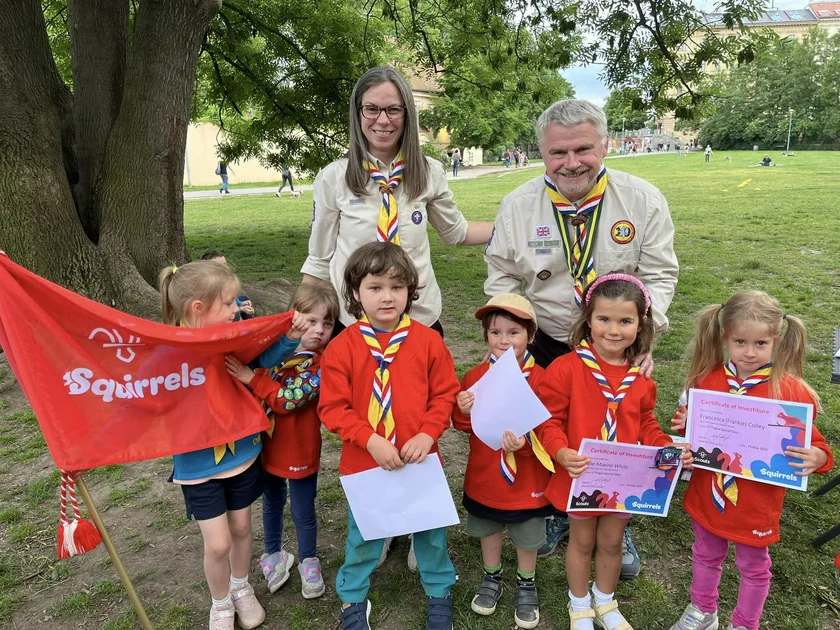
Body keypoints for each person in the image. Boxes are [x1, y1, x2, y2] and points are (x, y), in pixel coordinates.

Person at [484, 98, 678, 573]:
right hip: (549, 339)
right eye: (558, 153)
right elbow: (500, 277)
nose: (571, 163)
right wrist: (515, 337)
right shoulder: (517, 205)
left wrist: (642, 339)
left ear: (605, 144)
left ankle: (617, 520)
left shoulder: (643, 199)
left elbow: (660, 274)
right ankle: (559, 510)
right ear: (542, 152)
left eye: (583, 149)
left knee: (619, 430)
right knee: (555, 431)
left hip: (616, 343)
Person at [534, 274, 692, 630]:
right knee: (582, 542)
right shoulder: (565, 368)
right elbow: (547, 422)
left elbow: (646, 423)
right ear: (588, 319)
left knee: (612, 541)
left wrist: (666, 446)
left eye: (625, 321)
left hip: (624, 480)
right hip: (581, 475)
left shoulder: (641, 378)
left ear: (641, 325)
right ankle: (579, 605)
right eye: (604, 319)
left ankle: (604, 600)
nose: (614, 329)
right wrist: (560, 453)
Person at [669, 291, 834, 630]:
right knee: (704, 554)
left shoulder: (791, 392)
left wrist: (818, 456)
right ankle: (703, 610)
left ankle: (745, 623)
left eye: (760, 343)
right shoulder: (707, 380)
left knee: (754, 566)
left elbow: (817, 446)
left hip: (756, 503)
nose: (749, 352)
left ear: (777, 340)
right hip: (708, 494)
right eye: (740, 341)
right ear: (725, 338)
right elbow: (694, 436)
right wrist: (687, 429)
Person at [319, 242, 460, 630]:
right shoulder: (341, 347)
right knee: (363, 535)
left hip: (420, 462)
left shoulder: (429, 341)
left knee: (430, 533)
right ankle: (352, 597)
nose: (387, 297)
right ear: (354, 293)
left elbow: (445, 394)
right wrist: (370, 440)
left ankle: (439, 589)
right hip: (365, 462)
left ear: (411, 293)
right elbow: (332, 408)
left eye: (397, 288)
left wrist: (428, 434)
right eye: (375, 287)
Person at [301, 65, 493, 340]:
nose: (383, 120)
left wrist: (512, 226)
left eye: (393, 109)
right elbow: (319, 260)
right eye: (372, 109)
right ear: (358, 113)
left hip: (419, 319)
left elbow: (456, 233)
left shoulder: (429, 173)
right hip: (357, 324)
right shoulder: (333, 178)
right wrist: (300, 319)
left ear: (406, 114)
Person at [159, 260, 273, 630]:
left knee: (241, 528)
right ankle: (221, 602)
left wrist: (290, 334)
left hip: (241, 455)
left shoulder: (233, 334)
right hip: (197, 467)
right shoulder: (164, 351)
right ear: (198, 309)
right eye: (227, 304)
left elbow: (265, 355)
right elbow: (140, 395)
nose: (235, 309)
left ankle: (241, 587)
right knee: (218, 543)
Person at [225, 282, 340, 602]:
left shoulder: (321, 365)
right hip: (265, 448)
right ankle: (273, 555)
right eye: (311, 321)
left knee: (303, 509)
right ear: (293, 319)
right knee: (272, 503)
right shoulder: (273, 353)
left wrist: (253, 379)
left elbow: (290, 400)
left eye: (327, 323)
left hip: (302, 450)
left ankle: (308, 560)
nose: (318, 330)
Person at [452, 294, 555, 630]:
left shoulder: (542, 380)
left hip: (528, 480)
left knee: (527, 534)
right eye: (496, 332)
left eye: (514, 332)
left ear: (531, 336)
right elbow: (465, 427)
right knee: (489, 527)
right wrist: (464, 410)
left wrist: (525, 445)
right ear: (485, 336)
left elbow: (550, 430)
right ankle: (491, 576)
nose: (504, 340)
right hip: (486, 476)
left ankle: (526, 581)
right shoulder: (475, 378)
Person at [200, 250, 254, 320]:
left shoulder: (224, 280)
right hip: (217, 315)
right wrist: (241, 308)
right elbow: (220, 308)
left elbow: (231, 299)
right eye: (219, 266)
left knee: (244, 298)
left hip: (228, 307)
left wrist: (240, 303)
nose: (225, 268)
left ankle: (252, 325)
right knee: (236, 313)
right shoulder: (210, 285)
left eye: (225, 264)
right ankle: (239, 328)